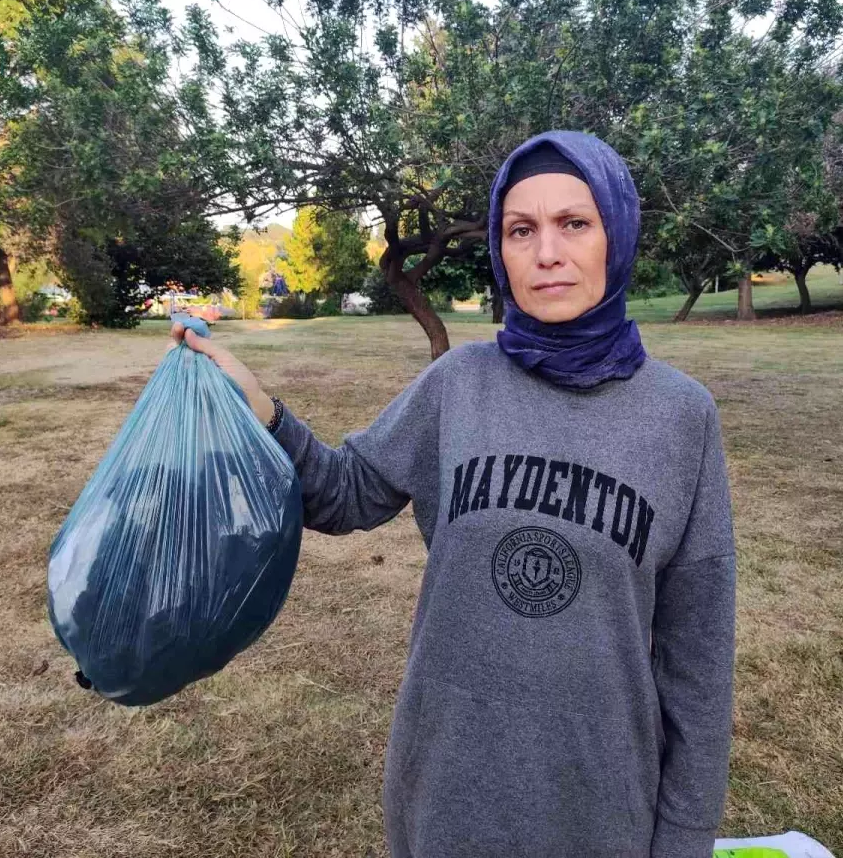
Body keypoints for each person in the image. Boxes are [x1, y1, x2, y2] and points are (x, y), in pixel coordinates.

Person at [171, 130, 737, 858]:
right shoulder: (458, 383)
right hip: (445, 786)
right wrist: (264, 413)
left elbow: (698, 667)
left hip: (597, 806)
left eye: (575, 223)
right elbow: (344, 492)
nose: (546, 253)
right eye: (520, 229)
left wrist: (685, 839)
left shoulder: (682, 417)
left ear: (617, 234)